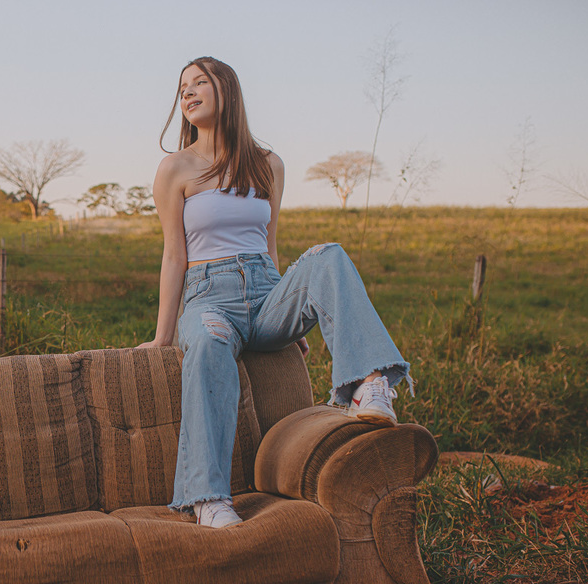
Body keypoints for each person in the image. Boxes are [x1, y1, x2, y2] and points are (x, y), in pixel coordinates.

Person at [137, 56, 412, 529]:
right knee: (206, 338)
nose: (188, 92)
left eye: (200, 82)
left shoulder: (268, 164)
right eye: (183, 87)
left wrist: (297, 312)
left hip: (267, 292)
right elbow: (173, 255)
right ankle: (208, 498)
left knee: (329, 254)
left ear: (228, 91)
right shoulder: (174, 169)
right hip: (209, 299)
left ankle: (370, 384)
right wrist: (164, 336)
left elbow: (269, 243)